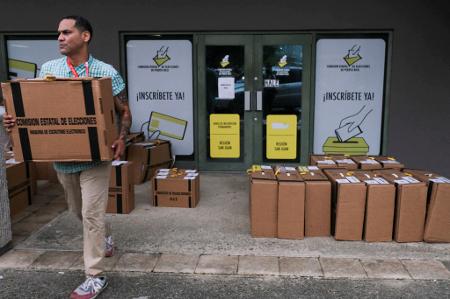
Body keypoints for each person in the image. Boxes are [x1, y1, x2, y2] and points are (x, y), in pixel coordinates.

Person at [3, 15, 131, 299]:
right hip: (63, 158)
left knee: (91, 214)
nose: (59, 38)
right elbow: (39, 110)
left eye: (66, 32)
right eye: (58, 33)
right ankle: (105, 237)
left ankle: (95, 276)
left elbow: (124, 110)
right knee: (78, 212)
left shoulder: (105, 71)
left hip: (97, 158)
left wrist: (121, 138)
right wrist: (16, 122)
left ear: (85, 36)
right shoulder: (49, 69)